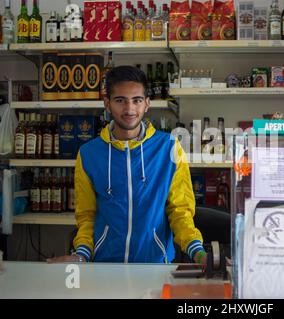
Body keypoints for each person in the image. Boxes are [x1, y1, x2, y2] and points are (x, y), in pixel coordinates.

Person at [48, 66, 206, 264]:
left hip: (154, 265)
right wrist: (81, 254)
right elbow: (87, 216)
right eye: (120, 100)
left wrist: (198, 253)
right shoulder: (89, 154)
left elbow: (180, 211)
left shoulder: (169, 148)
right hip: (105, 266)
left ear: (147, 104)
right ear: (107, 103)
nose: (130, 109)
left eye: (137, 100)